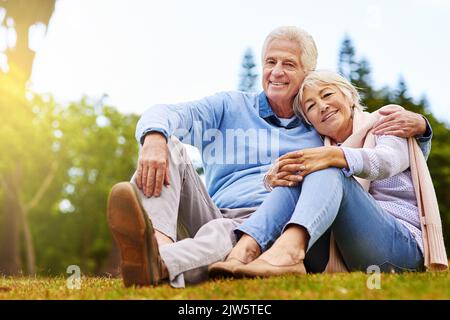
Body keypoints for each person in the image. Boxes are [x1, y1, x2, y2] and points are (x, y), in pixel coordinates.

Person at [107, 26, 433, 288]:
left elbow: (388, 157)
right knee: (170, 147)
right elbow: (165, 112)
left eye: (289, 64)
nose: (276, 72)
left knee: (238, 227)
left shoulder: (319, 125)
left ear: (309, 72)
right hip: (213, 213)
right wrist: (153, 138)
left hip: (275, 224)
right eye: (270, 62)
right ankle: (159, 244)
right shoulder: (230, 107)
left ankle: (165, 263)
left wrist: (421, 128)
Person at [208, 70, 447, 278]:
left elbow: (387, 161)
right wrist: (271, 180)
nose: (322, 106)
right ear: (309, 121)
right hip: (342, 253)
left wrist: (333, 156)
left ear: (349, 95)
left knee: (325, 166)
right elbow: (296, 188)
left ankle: (289, 253)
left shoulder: (384, 120)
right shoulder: (321, 146)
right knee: (301, 171)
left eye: (328, 94)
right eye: (311, 106)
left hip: (398, 250)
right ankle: (245, 250)